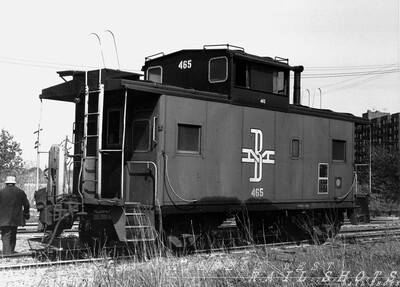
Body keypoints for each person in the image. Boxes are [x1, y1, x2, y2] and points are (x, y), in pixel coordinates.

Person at [0, 176, 30, 255]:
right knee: (13, 234)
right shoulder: (20, 192)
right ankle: (11, 251)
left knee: (6, 235)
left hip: (3, 218)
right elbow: (26, 204)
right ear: (14, 183)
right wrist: (26, 213)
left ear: (6, 183)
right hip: (16, 217)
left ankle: (7, 254)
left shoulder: (1, 192)